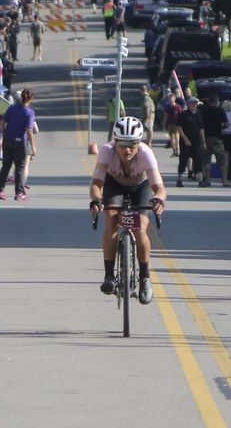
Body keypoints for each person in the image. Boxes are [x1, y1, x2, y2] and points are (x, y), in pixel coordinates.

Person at [88, 117, 167, 305]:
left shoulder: (146, 153)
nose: (128, 150)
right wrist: (97, 199)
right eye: (123, 144)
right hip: (114, 185)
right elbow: (97, 183)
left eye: (132, 144)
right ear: (115, 142)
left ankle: (145, 278)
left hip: (140, 187)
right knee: (111, 221)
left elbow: (159, 188)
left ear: (139, 143)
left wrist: (158, 200)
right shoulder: (107, 152)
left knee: (140, 230)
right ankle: (109, 276)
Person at [0, 88, 37, 200]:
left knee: (6, 165)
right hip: (20, 141)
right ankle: (19, 193)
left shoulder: (12, 108)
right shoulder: (29, 112)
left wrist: (3, 134)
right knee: (20, 167)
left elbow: (2, 122)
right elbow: (29, 129)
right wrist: (33, 146)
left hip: (8, 139)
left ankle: (0, 189)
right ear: (31, 99)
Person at [174, 96, 207, 187]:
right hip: (186, 141)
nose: (194, 105)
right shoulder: (183, 114)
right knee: (183, 160)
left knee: (198, 160)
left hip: (197, 141)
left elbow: (201, 128)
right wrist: (185, 139)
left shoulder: (199, 114)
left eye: (196, 103)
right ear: (188, 104)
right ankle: (179, 179)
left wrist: (203, 142)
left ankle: (200, 180)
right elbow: (179, 127)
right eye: (193, 103)